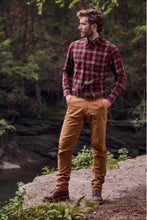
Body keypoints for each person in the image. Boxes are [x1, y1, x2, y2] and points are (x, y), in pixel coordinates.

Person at [43, 8, 126, 204]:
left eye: (83, 24)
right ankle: (61, 189)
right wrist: (67, 95)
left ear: (94, 26)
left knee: (99, 148)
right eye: (80, 23)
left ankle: (96, 190)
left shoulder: (110, 49)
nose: (79, 27)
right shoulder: (74, 46)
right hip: (76, 103)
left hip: (98, 103)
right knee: (64, 147)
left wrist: (108, 101)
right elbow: (66, 72)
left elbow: (120, 77)